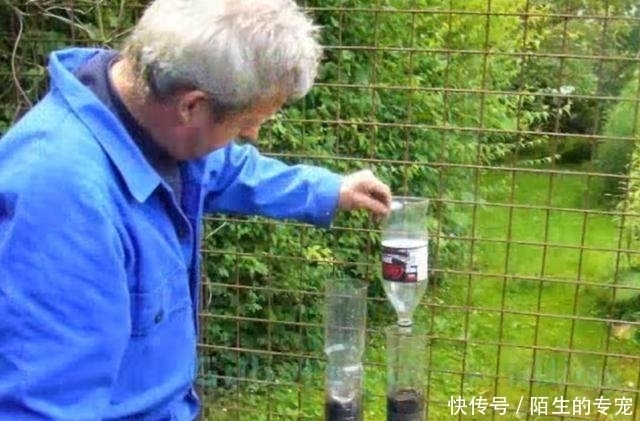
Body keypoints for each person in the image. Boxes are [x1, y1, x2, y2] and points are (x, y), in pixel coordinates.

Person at [0, 0, 392, 420]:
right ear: (192, 106)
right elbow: (44, 408)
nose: (252, 135)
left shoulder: (145, 118)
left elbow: (225, 168)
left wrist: (331, 190)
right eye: (244, 123)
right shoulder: (61, 203)